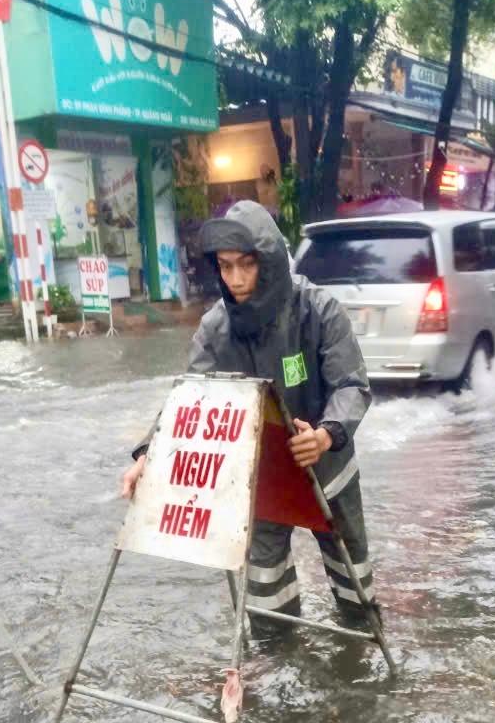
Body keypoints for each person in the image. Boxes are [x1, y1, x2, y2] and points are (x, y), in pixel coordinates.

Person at [121, 199, 377, 627]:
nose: (236, 279)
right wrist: (150, 456)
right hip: (263, 479)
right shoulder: (216, 328)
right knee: (267, 604)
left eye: (246, 265)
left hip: (328, 470)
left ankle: (360, 648)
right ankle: (278, 657)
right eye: (225, 267)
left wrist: (326, 434)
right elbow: (190, 403)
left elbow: (351, 385)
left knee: (356, 591)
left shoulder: (319, 310)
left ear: (269, 263)